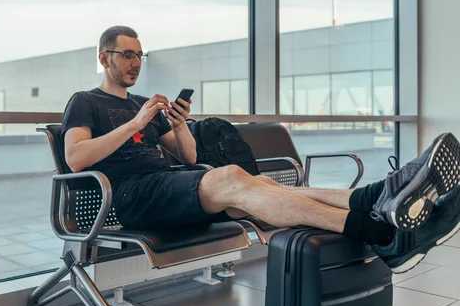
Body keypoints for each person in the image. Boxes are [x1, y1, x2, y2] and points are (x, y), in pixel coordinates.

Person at [61, 25, 460, 274]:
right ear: (104, 58)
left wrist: (180, 125)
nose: (135, 62)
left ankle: (376, 196)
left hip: (170, 183)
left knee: (259, 183)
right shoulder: (86, 101)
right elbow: (76, 158)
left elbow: (186, 157)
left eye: (139, 55)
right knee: (234, 177)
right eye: (126, 54)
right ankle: (378, 230)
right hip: (130, 196)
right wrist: (135, 124)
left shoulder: (142, 103)